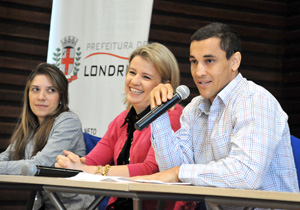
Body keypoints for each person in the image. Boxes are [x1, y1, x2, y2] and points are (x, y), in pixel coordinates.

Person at [134, 23, 299, 207]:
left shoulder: (254, 100)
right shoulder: (195, 108)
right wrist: (160, 113)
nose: (199, 72)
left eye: (209, 61)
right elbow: (170, 169)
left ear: (234, 61)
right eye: (194, 62)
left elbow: (245, 175)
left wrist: (179, 172)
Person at [55, 43, 195, 210]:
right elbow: (92, 161)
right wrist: (73, 163)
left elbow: (150, 170)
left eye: (146, 77)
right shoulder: (121, 120)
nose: (134, 81)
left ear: (165, 84)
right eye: (132, 72)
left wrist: (90, 170)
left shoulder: (172, 116)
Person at [0, 63, 94, 209]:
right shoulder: (30, 127)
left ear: (61, 97)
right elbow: (7, 156)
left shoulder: (68, 121)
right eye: (35, 89)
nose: (41, 97)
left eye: (50, 90)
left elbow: (40, 164)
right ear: (28, 94)